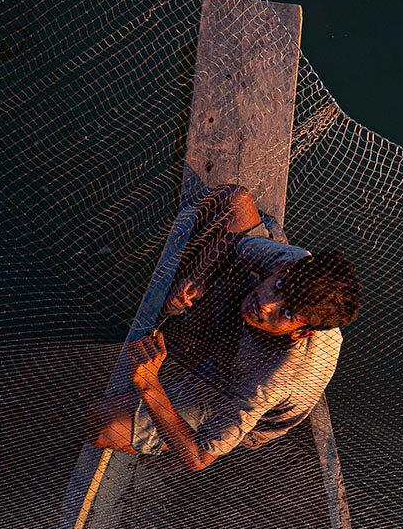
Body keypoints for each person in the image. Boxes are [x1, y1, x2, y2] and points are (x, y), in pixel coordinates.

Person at [85, 184, 361, 471]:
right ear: (286, 271)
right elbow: (237, 243)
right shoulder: (296, 264)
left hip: (227, 387)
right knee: (235, 201)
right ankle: (196, 339)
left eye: (287, 312)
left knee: (102, 424)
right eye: (278, 285)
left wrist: (148, 383)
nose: (266, 303)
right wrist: (197, 277)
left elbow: (198, 457)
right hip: (240, 336)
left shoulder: (266, 383)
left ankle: (166, 431)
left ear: (302, 332)